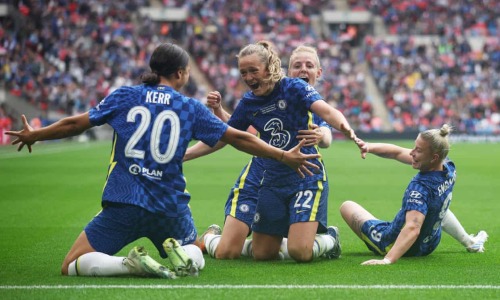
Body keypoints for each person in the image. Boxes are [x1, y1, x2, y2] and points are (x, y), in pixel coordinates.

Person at [5, 42, 320, 278]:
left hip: (124, 202)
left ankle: (128, 266)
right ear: (181, 73)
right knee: (193, 253)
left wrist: (36, 134)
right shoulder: (189, 107)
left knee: (71, 264)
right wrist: (282, 154)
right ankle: (185, 253)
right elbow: (236, 136)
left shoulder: (124, 96)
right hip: (170, 207)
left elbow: (75, 123)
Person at [185, 41, 359, 263]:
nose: (247, 77)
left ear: (269, 68)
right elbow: (229, 135)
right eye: (243, 72)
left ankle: (329, 239)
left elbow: (327, 117)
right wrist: (186, 154)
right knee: (261, 254)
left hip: (305, 173)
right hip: (269, 176)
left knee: (300, 252)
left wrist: (347, 130)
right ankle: (219, 238)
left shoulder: (296, 89)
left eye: (253, 71)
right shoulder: (249, 102)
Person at [340, 124, 487, 266]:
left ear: (434, 157)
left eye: (418, 150)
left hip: (398, 245)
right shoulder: (448, 167)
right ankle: (470, 242)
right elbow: (396, 153)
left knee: (347, 206)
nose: (412, 153)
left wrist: (388, 259)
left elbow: (413, 227)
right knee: (436, 205)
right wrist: (369, 147)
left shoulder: (419, 188)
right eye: (414, 147)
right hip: (430, 243)